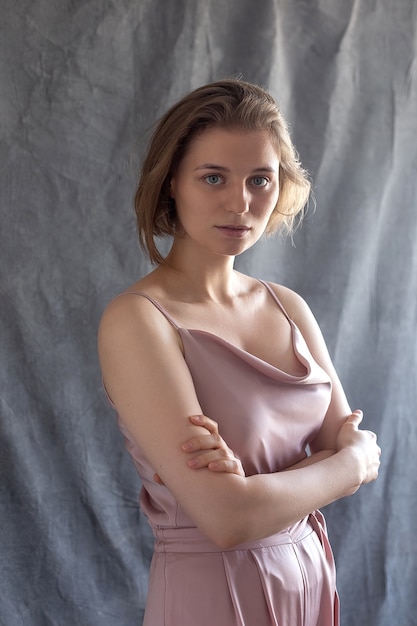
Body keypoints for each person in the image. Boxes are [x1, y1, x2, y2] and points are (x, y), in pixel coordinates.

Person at [98, 79, 381, 626]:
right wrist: (344, 466)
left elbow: (337, 440)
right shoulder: (137, 320)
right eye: (213, 178)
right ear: (171, 183)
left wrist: (259, 491)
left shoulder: (287, 306)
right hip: (211, 594)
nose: (240, 203)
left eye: (260, 179)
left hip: (311, 576)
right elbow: (226, 520)